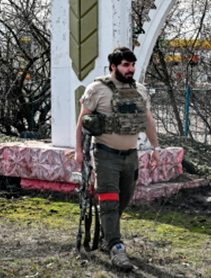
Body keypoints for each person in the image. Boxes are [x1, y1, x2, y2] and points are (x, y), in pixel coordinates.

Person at [75, 46, 161, 271]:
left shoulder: (140, 91)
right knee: (110, 201)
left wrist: (156, 148)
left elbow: (149, 121)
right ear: (113, 66)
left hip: (131, 156)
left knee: (123, 200)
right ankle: (116, 247)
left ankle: (107, 234)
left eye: (132, 65)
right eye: (125, 65)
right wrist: (78, 151)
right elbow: (82, 122)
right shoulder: (96, 89)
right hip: (105, 155)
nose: (130, 69)